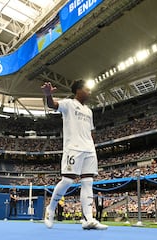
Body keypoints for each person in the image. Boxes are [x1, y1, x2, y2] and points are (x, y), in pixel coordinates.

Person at [41, 80, 108, 230]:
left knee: (88, 182)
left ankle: (88, 219)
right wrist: (48, 95)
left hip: (89, 150)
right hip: (73, 148)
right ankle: (50, 209)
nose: (89, 93)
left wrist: (92, 146)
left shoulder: (89, 111)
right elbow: (52, 105)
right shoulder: (69, 104)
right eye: (87, 89)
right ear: (78, 90)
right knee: (67, 181)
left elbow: (90, 132)